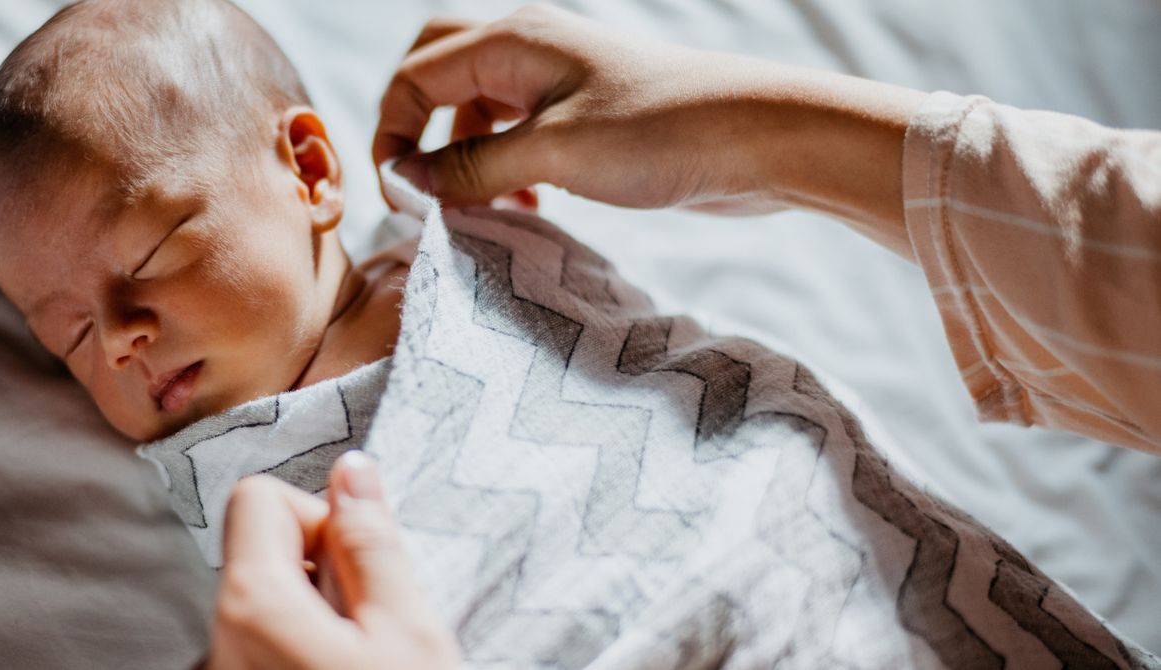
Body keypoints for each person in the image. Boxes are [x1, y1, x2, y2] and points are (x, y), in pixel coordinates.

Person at [208, 3, 1160, 668]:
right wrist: (757, 132)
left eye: (157, 252)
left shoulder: (467, 255)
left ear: (309, 170)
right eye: (85, 327)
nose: (132, 335)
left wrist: (758, 130)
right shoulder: (229, 504)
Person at [0, 0, 419, 442]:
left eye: (147, 255)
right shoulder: (222, 473)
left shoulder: (439, 240)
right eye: (74, 336)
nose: (116, 340)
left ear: (307, 172)